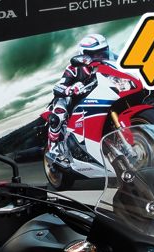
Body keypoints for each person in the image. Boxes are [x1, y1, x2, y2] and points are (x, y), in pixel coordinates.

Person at [46, 34, 113, 163]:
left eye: (102, 52)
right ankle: (53, 147)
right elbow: (57, 87)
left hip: (91, 100)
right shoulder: (74, 69)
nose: (100, 57)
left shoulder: (105, 67)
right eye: (95, 54)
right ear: (83, 54)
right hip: (69, 99)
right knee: (59, 114)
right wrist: (70, 89)